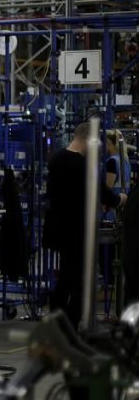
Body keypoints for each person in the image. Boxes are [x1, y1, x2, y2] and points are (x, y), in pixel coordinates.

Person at [45, 121, 128, 328]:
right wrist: (121, 199)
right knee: (81, 282)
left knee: (65, 277)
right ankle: (71, 326)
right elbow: (105, 195)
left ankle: (55, 320)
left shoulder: (55, 159)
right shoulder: (84, 165)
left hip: (58, 228)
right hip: (78, 230)